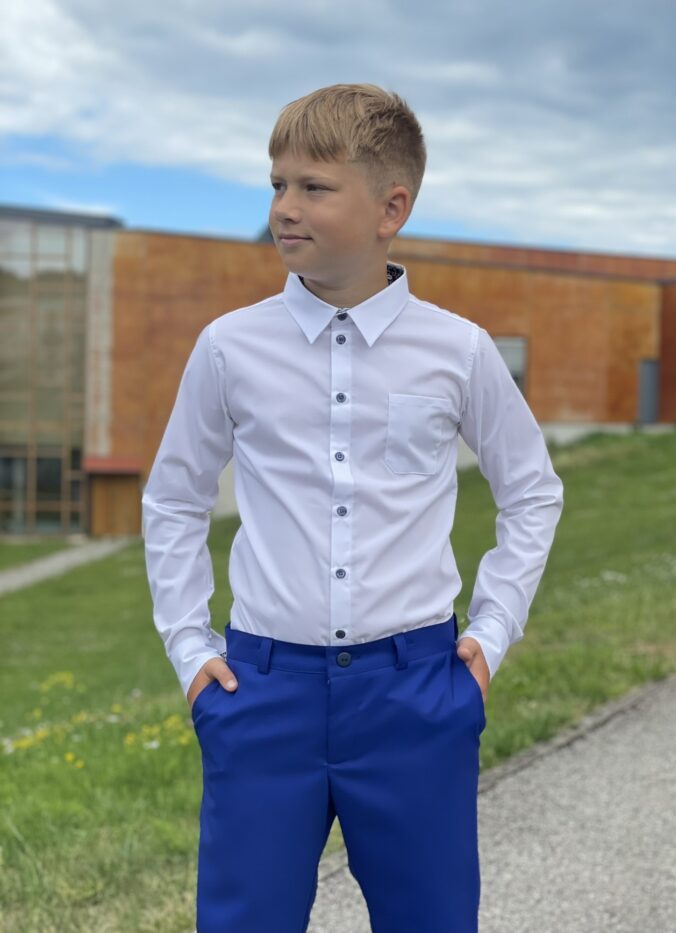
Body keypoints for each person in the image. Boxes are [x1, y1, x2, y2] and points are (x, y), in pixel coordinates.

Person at [141, 82, 564, 933]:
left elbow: (531, 490)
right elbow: (174, 500)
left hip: (416, 695)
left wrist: (491, 634)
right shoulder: (229, 347)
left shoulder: (458, 350)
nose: (284, 209)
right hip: (261, 695)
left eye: (313, 187)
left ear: (390, 207)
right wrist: (191, 650)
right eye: (277, 184)